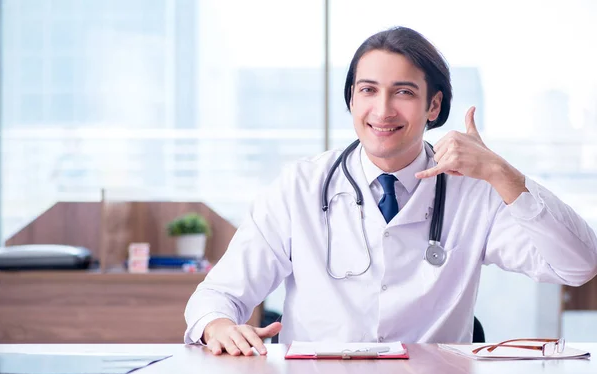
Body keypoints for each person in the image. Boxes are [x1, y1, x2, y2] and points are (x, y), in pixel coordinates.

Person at [184, 26, 597, 356]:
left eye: (403, 92)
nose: (382, 110)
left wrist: (503, 173)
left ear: (433, 107)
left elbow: (578, 266)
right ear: (351, 99)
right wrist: (219, 325)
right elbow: (218, 296)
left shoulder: (475, 191)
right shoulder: (300, 187)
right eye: (367, 90)